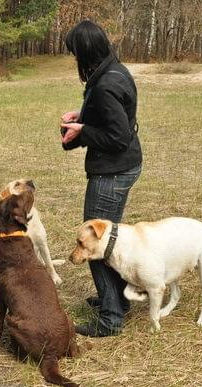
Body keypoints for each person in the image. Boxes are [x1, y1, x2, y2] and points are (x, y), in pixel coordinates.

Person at [60, 20, 143, 337]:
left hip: (114, 169)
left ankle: (111, 319)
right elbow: (114, 120)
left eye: (74, 53)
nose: (73, 60)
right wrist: (81, 118)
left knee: (94, 242)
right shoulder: (114, 70)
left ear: (85, 51)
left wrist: (84, 131)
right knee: (110, 238)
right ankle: (119, 301)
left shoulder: (106, 83)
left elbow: (117, 137)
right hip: (123, 166)